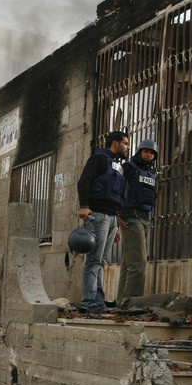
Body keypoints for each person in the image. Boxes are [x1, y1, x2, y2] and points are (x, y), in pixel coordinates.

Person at [76, 130, 129, 312]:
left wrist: (115, 225)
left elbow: (115, 194)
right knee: (94, 259)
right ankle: (89, 301)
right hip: (97, 215)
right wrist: (84, 206)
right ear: (114, 143)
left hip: (110, 217)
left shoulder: (117, 166)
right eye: (125, 143)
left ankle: (98, 301)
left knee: (102, 261)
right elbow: (84, 182)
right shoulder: (98, 159)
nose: (128, 148)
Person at [116, 139, 159, 305]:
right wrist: (117, 215)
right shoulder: (129, 168)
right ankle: (132, 304)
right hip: (130, 217)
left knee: (129, 265)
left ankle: (122, 303)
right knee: (139, 264)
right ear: (139, 152)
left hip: (144, 218)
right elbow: (115, 188)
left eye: (152, 153)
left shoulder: (151, 173)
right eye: (146, 151)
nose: (149, 155)